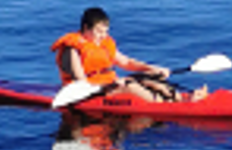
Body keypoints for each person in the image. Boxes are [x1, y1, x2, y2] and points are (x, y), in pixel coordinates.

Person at [51, 7, 202, 103]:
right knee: (133, 87)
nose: (103, 36)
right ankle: (169, 105)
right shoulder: (72, 49)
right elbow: (81, 83)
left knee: (153, 79)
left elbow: (126, 62)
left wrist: (152, 68)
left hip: (109, 84)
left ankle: (182, 98)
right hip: (91, 93)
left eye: (105, 32)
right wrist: (110, 85)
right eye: (98, 31)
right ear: (86, 28)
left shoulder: (103, 43)